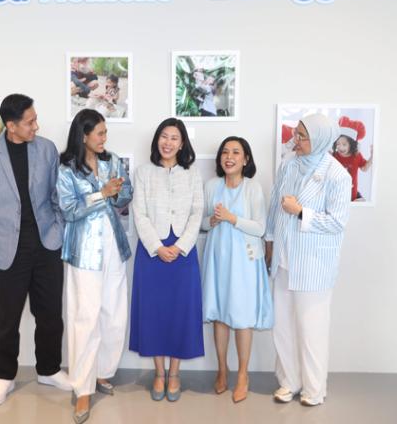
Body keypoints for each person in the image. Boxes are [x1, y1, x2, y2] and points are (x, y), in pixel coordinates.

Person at [0, 94, 71, 407]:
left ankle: (49, 369)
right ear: (11, 126)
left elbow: (58, 197)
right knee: (7, 319)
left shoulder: (47, 149)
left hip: (47, 245)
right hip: (6, 250)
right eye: (29, 122)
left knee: (51, 314)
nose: (36, 126)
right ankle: (5, 376)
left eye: (35, 119)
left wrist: (59, 232)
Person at [264, 113, 352, 407]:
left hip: (313, 265)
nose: (296, 141)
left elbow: (337, 222)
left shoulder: (337, 175)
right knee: (284, 327)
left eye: (303, 136)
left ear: (321, 139)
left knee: (311, 329)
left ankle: (314, 389)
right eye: (296, 134)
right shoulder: (288, 165)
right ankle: (289, 382)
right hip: (284, 261)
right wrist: (269, 242)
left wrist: (302, 212)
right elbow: (275, 207)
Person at [56, 109, 133, 424]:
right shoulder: (66, 168)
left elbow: (126, 195)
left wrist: (118, 193)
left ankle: (102, 373)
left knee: (113, 314)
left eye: (105, 132)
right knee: (85, 318)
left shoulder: (113, 161)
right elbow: (70, 210)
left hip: (113, 248)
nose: (104, 138)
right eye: (99, 133)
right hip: (84, 252)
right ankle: (83, 387)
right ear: (83, 135)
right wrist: (102, 194)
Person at [129, 118, 204, 402]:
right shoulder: (143, 172)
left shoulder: (192, 173)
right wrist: (157, 247)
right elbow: (140, 213)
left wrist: (182, 245)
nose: (168, 142)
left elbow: (198, 212)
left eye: (174, 138)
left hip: (183, 254)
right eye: (164, 136)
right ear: (157, 140)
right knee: (154, 312)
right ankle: (159, 373)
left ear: (182, 143)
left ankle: (175, 373)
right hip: (152, 253)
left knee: (180, 313)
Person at [201, 136, 273, 404]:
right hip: (218, 258)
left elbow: (260, 228)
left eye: (236, 152)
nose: (229, 157)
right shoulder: (211, 186)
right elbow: (203, 225)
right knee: (220, 314)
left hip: (244, 261)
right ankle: (222, 369)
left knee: (241, 316)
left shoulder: (253, 188)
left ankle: (243, 374)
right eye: (225, 152)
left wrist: (231, 218)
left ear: (246, 159)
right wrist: (213, 219)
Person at [332, 116, 373, 202]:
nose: (340, 147)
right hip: (337, 196)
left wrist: (372, 156)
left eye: (344, 144)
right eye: (338, 144)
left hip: (353, 195)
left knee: (362, 202)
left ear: (351, 144)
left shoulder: (356, 156)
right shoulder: (334, 156)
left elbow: (364, 168)